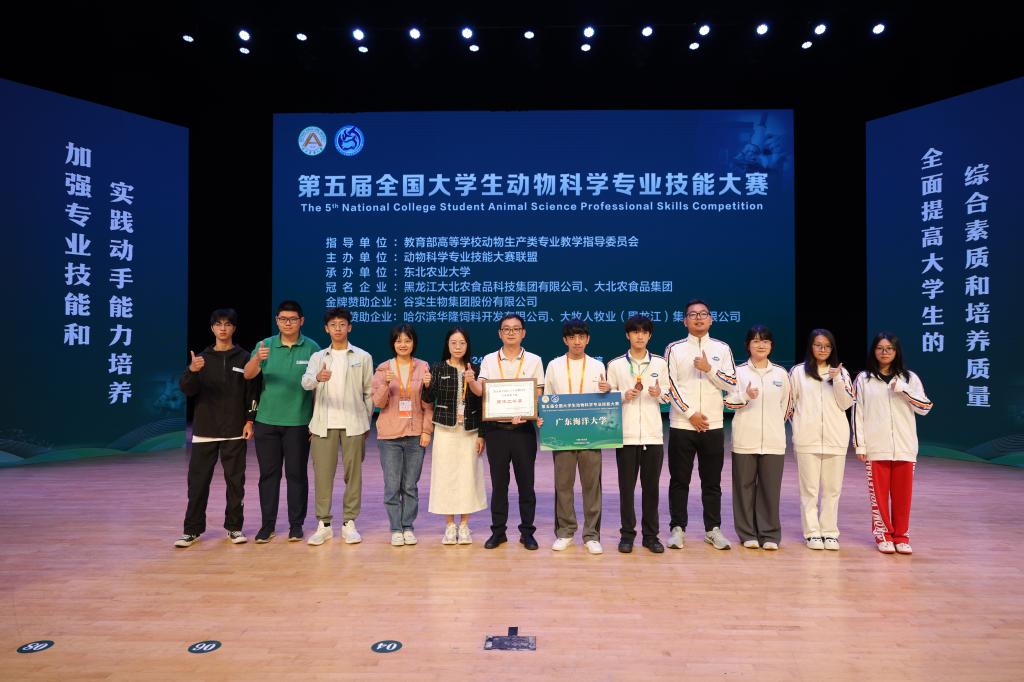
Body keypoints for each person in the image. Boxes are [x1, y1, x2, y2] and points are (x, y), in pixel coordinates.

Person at [175, 308, 259, 548]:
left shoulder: (244, 357)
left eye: (228, 324)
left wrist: (250, 420)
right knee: (198, 483)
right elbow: (187, 389)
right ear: (212, 328)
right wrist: (192, 371)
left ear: (234, 328)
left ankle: (234, 527)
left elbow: (252, 392)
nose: (223, 328)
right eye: (218, 324)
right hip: (205, 430)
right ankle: (191, 531)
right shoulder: (201, 359)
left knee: (235, 483)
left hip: (234, 430)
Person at [664, 299, 738, 551]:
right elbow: (670, 386)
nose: (698, 318)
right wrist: (690, 413)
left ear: (711, 319)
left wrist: (709, 369)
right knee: (679, 480)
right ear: (685, 321)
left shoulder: (722, 348)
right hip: (682, 425)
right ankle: (677, 528)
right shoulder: (674, 349)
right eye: (693, 314)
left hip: (712, 425)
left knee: (712, 481)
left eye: (703, 314)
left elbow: (732, 383)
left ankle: (712, 529)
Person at [244, 300, 320, 543]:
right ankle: (267, 525)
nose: (288, 323)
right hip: (266, 422)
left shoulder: (312, 348)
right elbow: (248, 375)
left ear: (301, 321)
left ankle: (296, 525)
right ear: (277, 321)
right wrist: (257, 359)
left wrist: (315, 421)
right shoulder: (264, 345)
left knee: (296, 475)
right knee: (269, 475)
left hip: (298, 422)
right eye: (283, 319)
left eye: (293, 319)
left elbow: (318, 389)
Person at [853, 332, 933, 555]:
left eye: (889, 348)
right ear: (874, 351)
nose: (884, 352)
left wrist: (904, 390)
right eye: (880, 348)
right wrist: (860, 445)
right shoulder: (864, 379)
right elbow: (858, 413)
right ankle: (883, 535)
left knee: (903, 496)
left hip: (905, 447)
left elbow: (925, 408)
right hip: (876, 447)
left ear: (896, 351)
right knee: (879, 497)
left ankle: (901, 536)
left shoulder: (910, 378)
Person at [300, 307, 374, 546]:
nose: (338, 329)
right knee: (323, 475)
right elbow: (305, 382)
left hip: (353, 423)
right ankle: (324, 524)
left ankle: (349, 522)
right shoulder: (318, 357)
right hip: (323, 424)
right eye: (333, 325)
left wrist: (365, 421)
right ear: (326, 329)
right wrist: (317, 378)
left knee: (353, 476)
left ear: (349, 327)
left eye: (342, 324)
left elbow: (369, 392)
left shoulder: (362, 356)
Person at [471, 313, 544, 551]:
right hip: (497, 431)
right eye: (506, 329)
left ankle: (527, 533)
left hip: (523, 430)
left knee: (526, 484)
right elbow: (481, 391)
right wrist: (471, 381)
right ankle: (498, 532)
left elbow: (539, 392)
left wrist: (526, 409)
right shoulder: (489, 360)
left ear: (523, 333)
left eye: (516, 329)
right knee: (499, 485)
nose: (511, 332)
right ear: (499, 334)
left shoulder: (534, 360)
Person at [605, 314, 670, 554]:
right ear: (628, 335)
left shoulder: (660, 364)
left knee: (651, 489)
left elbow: (668, 396)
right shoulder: (615, 365)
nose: (639, 336)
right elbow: (607, 399)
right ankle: (627, 535)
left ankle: (651, 536)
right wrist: (624, 396)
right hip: (626, 436)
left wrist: (659, 394)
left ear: (649, 335)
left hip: (653, 436)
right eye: (635, 332)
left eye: (644, 332)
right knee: (626, 490)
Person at [543, 319, 609, 555]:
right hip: (562, 434)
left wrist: (607, 392)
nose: (577, 341)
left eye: (581, 337)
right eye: (572, 337)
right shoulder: (554, 365)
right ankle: (565, 532)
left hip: (591, 434)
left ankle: (592, 535)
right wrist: (544, 418)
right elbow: (547, 398)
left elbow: (603, 401)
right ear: (565, 340)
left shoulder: (598, 365)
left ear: (588, 339)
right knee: (563, 485)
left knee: (592, 486)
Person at [724, 325, 792, 551]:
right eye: (755, 341)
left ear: (771, 345)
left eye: (765, 341)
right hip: (745, 439)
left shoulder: (781, 374)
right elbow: (728, 402)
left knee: (770, 489)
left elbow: (787, 406)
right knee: (743, 489)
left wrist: (774, 424)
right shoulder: (738, 372)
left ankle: (769, 533)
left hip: (773, 441)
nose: (761, 345)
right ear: (748, 345)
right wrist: (745, 396)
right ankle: (747, 533)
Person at [789, 328, 854, 551]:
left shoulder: (841, 373)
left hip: (836, 439)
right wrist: (799, 428)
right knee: (809, 490)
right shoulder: (798, 372)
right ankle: (812, 533)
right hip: (807, 439)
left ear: (832, 348)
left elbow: (846, 403)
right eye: (818, 345)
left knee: (832, 490)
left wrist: (837, 380)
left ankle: (829, 532)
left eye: (827, 346)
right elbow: (790, 405)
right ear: (811, 347)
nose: (823, 349)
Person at [422, 327, 487, 545]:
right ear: (447, 345)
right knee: (445, 476)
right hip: (445, 430)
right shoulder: (437, 368)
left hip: (470, 431)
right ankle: (450, 525)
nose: (458, 347)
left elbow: (482, 403)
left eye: (462, 343)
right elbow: (428, 399)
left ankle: (465, 525)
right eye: (453, 343)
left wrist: (482, 435)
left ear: (467, 346)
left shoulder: (475, 369)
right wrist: (427, 384)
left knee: (468, 476)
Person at [371, 324, 433, 546]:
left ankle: (408, 527)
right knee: (392, 486)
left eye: (407, 340)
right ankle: (396, 529)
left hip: (416, 434)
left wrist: (426, 430)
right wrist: (386, 384)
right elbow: (378, 403)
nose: (403, 344)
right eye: (399, 341)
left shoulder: (423, 367)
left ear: (414, 343)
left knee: (410, 485)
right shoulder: (383, 368)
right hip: (390, 436)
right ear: (393, 344)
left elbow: (428, 404)